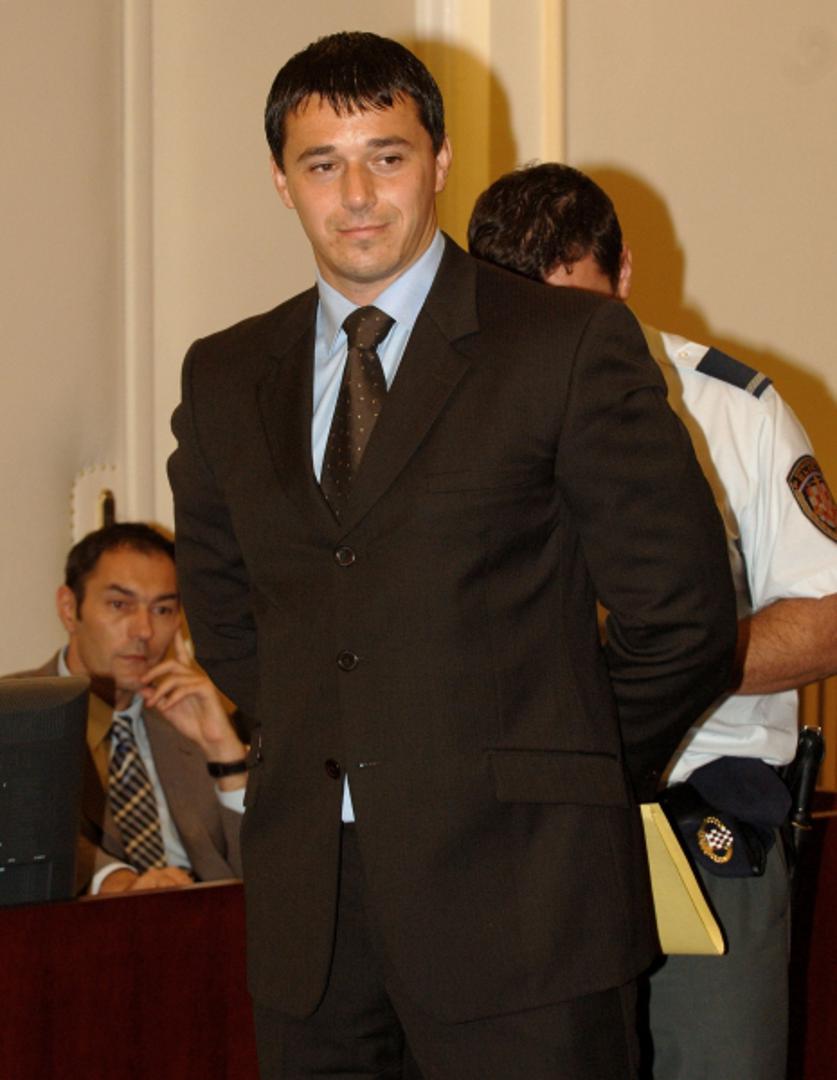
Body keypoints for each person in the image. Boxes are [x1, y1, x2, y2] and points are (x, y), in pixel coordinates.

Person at [167, 32, 738, 1079]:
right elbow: (230, 618)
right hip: (313, 925)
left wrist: (556, 770)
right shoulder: (225, 374)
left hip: (527, 906)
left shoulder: (562, 343)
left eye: (385, 157)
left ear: (438, 161)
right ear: (281, 182)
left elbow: (683, 618)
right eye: (322, 164)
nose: (356, 196)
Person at [467, 161, 837, 1080]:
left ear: (623, 275)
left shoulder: (730, 411)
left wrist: (649, 661)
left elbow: (828, 619)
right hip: (511, 828)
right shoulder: (441, 425)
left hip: (695, 813)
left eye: (574, 313)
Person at [9, 522, 246, 894]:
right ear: (69, 609)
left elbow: (269, 873)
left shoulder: (193, 717)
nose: (144, 631)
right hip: (81, 924)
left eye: (163, 609)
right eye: (120, 605)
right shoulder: (14, 713)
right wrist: (116, 882)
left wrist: (226, 755)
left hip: (213, 920)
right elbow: (15, 829)